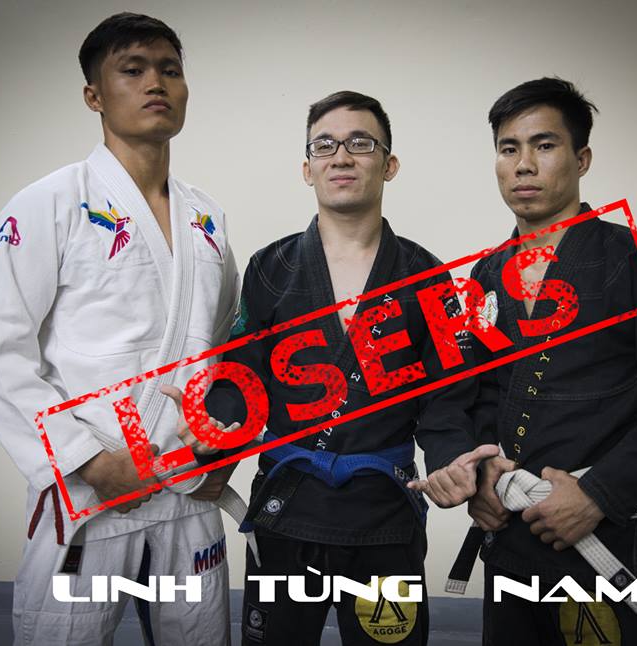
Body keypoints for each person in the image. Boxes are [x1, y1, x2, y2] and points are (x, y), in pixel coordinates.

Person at [0, 13, 239, 645]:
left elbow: (223, 346)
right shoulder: (50, 203)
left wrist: (219, 445)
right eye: (132, 70)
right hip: (93, 488)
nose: (156, 83)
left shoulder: (207, 216)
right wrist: (84, 460)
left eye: (170, 70)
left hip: (187, 488)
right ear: (95, 96)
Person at [191, 90, 494, 646]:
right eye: (324, 145)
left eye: (360, 143)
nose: (342, 156)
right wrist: (213, 436)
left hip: (383, 513)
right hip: (288, 502)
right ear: (307, 169)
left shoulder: (428, 278)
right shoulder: (271, 267)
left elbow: (447, 397)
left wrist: (451, 462)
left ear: (389, 164)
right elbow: (243, 378)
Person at [450, 77, 637, 645]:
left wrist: (599, 493)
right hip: (510, 536)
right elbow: (481, 393)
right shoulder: (486, 276)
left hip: (602, 534)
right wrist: (482, 474)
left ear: (582, 159)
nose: (524, 164)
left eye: (544, 145)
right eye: (508, 148)